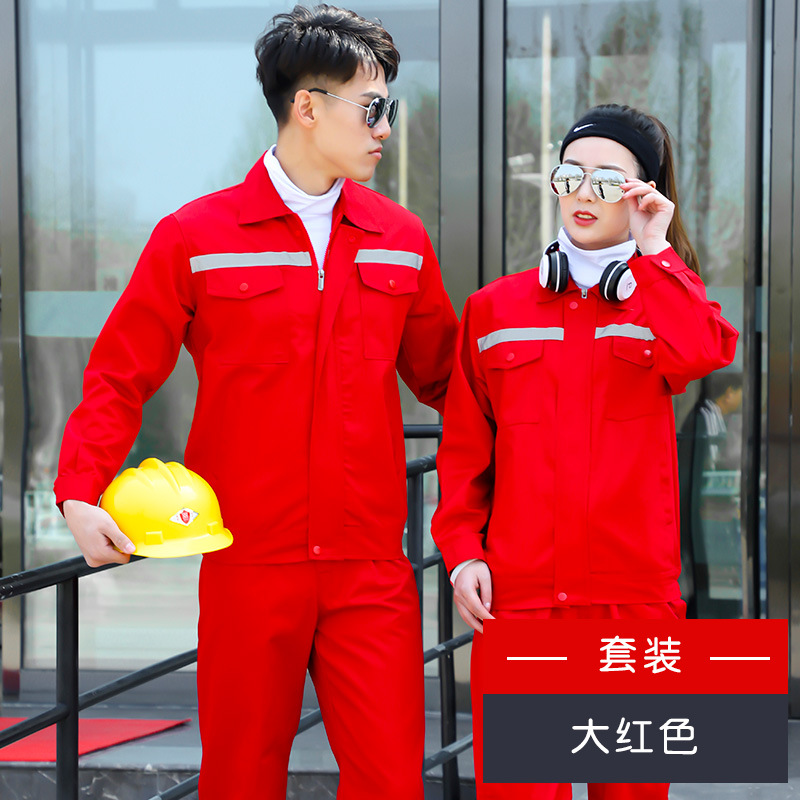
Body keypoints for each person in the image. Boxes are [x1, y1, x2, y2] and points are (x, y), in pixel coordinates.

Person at [55, 5, 458, 799]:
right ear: (306, 106)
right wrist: (79, 487)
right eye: (371, 107)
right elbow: (119, 375)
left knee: (391, 782)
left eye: (389, 108)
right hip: (248, 564)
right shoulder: (196, 236)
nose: (385, 128)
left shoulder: (401, 239)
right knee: (240, 778)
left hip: (370, 567)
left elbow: (450, 382)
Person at [431, 103, 738, 800]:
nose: (583, 193)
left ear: (642, 193)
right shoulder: (495, 310)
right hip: (521, 601)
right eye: (571, 175)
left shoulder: (662, 303)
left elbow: (703, 350)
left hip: (632, 605)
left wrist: (656, 250)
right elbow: (466, 451)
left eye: (608, 180)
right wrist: (463, 553)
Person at [678, 371, 744, 618]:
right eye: (740, 392)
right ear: (729, 393)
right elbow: (709, 464)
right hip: (698, 502)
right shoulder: (706, 416)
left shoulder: (713, 416)